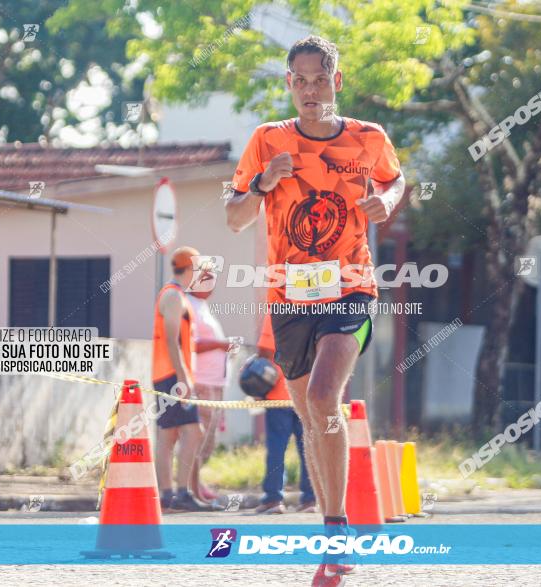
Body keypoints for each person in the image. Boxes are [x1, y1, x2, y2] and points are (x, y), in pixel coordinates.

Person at [225, 35, 405, 586]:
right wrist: (261, 184)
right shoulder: (266, 140)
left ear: (337, 82)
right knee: (309, 413)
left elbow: (396, 182)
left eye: (319, 79)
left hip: (351, 287)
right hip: (288, 298)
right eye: (299, 80)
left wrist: (386, 201)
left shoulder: (367, 139)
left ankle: (336, 532)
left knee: (327, 396)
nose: (310, 90)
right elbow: (234, 217)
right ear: (288, 84)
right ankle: (332, 538)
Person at [151, 246, 213, 512]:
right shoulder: (174, 297)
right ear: (189, 268)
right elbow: (172, 340)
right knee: (191, 431)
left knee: (168, 434)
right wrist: (183, 377)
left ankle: (168, 495)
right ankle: (180, 493)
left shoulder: (175, 295)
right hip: (171, 376)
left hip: (167, 374)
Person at [253, 315, 317, 515]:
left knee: (276, 448)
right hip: (305, 393)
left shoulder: (276, 310)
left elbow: (265, 350)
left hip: (279, 393)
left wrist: (257, 385)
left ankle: (273, 499)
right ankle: (310, 499)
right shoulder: (315, 309)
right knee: (307, 446)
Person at [185, 262, 237, 502]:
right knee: (199, 438)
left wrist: (224, 346)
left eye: (213, 278)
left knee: (208, 440)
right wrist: (222, 344)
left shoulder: (202, 306)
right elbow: (190, 344)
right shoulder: (190, 306)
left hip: (214, 382)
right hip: (202, 382)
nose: (210, 283)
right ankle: (190, 487)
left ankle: (196, 484)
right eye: (206, 277)